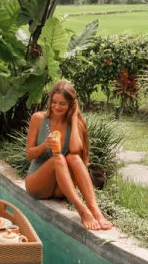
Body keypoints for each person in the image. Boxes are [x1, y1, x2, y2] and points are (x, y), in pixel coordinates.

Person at [25, 80, 113, 230]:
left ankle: (95, 211)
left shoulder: (76, 123)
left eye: (63, 104)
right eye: (54, 102)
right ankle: (83, 210)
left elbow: (75, 151)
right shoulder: (39, 119)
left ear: (71, 105)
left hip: (60, 189)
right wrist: (45, 145)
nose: (57, 107)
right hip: (37, 184)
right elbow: (29, 154)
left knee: (73, 158)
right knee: (58, 158)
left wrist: (73, 118)